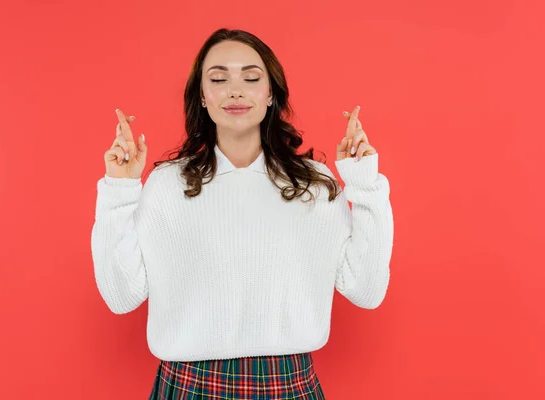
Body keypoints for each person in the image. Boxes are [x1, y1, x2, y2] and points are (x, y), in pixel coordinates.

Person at [91, 27, 394, 399]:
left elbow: (367, 290)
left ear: (270, 94)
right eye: (219, 78)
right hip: (189, 386)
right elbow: (121, 297)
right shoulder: (167, 184)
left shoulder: (314, 183)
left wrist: (365, 185)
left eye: (251, 78)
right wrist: (119, 189)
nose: (235, 90)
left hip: (288, 384)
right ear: (202, 96)